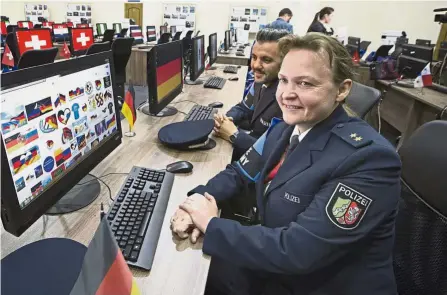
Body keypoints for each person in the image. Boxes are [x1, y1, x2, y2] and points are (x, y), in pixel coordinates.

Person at [171, 33, 401, 295]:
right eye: (283, 80)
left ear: (342, 89)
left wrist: (211, 225)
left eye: (304, 83)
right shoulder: (286, 128)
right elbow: (239, 173)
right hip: (279, 268)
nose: (287, 94)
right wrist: (195, 204)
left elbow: (300, 250)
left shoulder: (370, 159)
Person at [214, 28, 289, 159]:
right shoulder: (261, 80)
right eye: (254, 57)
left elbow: (274, 154)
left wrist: (234, 135)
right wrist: (227, 119)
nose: (255, 65)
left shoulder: (288, 99)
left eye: (266, 60)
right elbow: (243, 107)